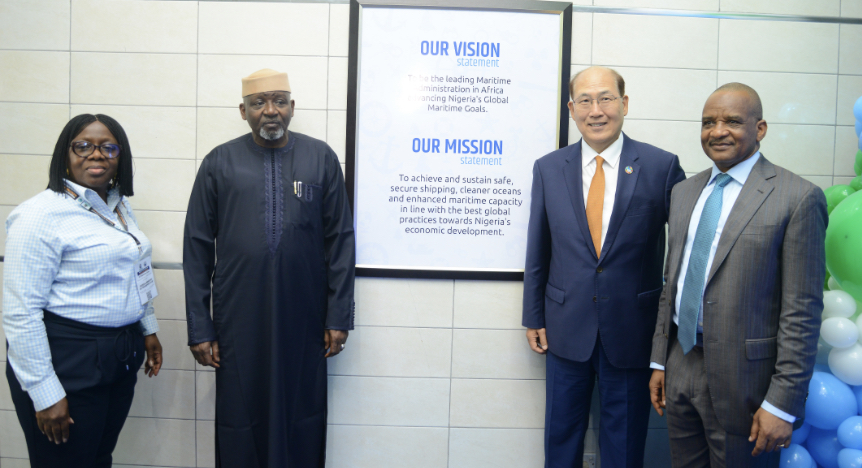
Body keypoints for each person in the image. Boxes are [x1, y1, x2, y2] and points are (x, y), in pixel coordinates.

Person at [183, 68, 355, 467]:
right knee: (240, 411)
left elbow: (341, 241)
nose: (270, 110)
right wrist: (200, 327)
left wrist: (338, 317)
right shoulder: (218, 162)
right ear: (243, 111)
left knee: (302, 411)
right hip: (239, 319)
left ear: (292, 107)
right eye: (258, 102)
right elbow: (196, 247)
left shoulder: (321, 158)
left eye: (279, 101)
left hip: (305, 318)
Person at [648, 83, 826, 467]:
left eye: (732, 121)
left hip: (749, 383)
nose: (717, 131)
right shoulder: (683, 192)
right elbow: (672, 283)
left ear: (760, 129)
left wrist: (782, 403)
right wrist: (660, 361)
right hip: (681, 363)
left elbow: (802, 312)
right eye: (708, 122)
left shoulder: (798, 197)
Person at [522, 66, 686, 467]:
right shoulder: (548, 168)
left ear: (624, 104)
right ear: (572, 109)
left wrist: (668, 334)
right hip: (564, 328)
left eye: (606, 98)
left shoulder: (661, 166)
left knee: (624, 447)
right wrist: (533, 316)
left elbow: (683, 253)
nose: (596, 110)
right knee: (561, 440)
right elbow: (538, 249)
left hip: (633, 331)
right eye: (585, 101)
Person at [3, 114, 163, 468]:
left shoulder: (117, 207)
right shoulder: (39, 215)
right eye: (83, 146)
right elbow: (20, 312)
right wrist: (45, 393)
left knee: (98, 459)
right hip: (68, 358)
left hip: (119, 353)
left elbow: (134, 268)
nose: (97, 154)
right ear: (66, 153)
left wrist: (147, 328)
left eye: (109, 147)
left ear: (121, 157)